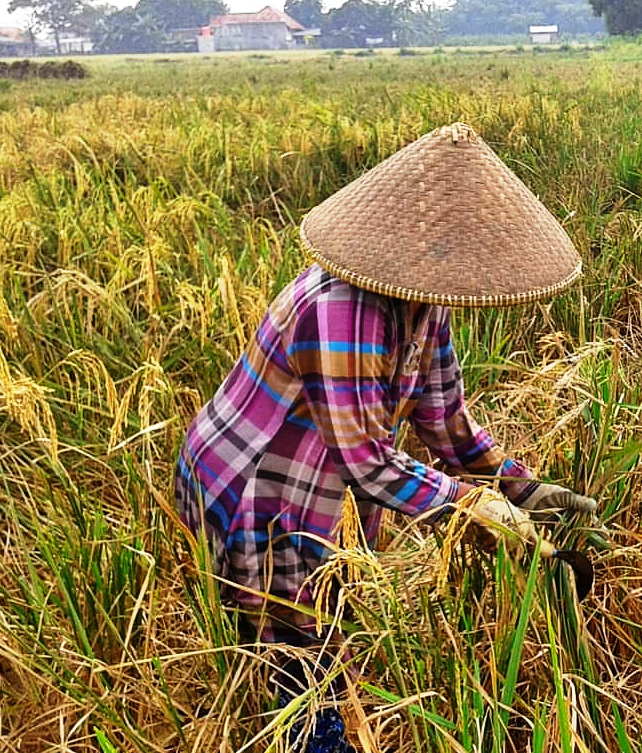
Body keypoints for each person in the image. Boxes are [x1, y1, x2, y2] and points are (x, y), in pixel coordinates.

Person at [173, 122, 598, 751]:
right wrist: (470, 507)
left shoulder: (427, 299)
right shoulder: (338, 309)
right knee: (300, 658)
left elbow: (445, 417)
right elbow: (368, 462)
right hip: (258, 486)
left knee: (329, 628)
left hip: (325, 487)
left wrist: (521, 487)